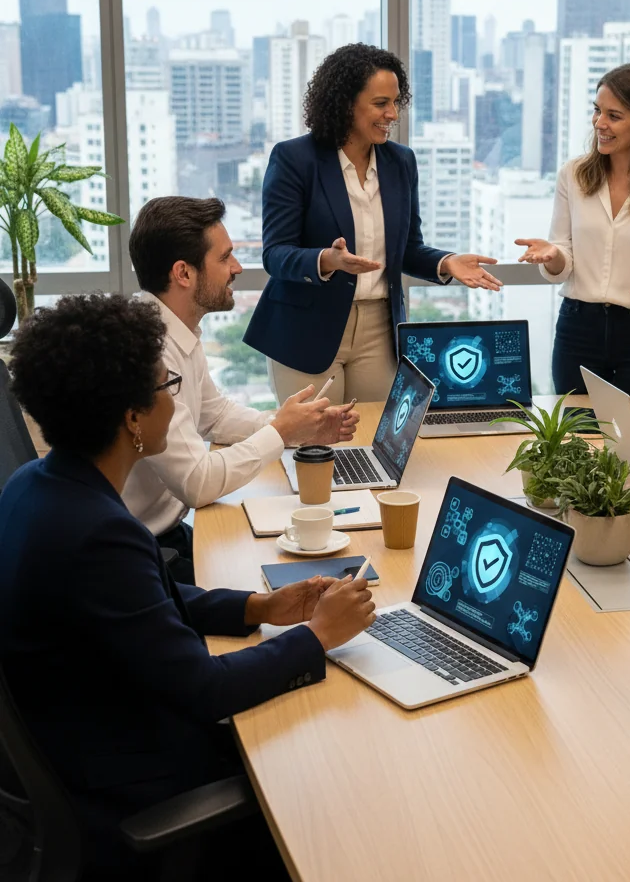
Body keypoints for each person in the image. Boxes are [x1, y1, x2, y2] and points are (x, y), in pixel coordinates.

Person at [0, 295, 376, 877]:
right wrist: (318, 636)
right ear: (132, 417)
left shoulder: (35, 484)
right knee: (326, 769)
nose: (175, 401)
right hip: (129, 787)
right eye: (166, 386)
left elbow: (141, 604)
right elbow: (206, 689)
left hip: (83, 733)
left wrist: (260, 606)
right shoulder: (98, 533)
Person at [244, 43, 502, 405]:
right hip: (306, 328)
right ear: (345, 103)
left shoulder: (401, 162)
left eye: (396, 102)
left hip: (379, 329)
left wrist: (446, 263)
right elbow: (275, 253)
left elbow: (407, 249)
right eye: (381, 103)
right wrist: (326, 260)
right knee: (315, 435)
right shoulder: (295, 159)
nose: (392, 114)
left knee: (378, 434)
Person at [122, 196, 359, 583]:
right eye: (224, 257)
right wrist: (279, 432)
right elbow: (198, 483)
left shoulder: (172, 328)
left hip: (168, 534)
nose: (237, 267)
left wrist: (292, 426)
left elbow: (214, 415)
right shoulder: (150, 350)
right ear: (183, 273)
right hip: (143, 555)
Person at [515, 63, 630, 396]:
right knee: (576, 426)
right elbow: (562, 256)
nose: (599, 123)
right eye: (597, 111)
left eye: (614, 115)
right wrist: (553, 256)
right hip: (579, 330)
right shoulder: (573, 175)